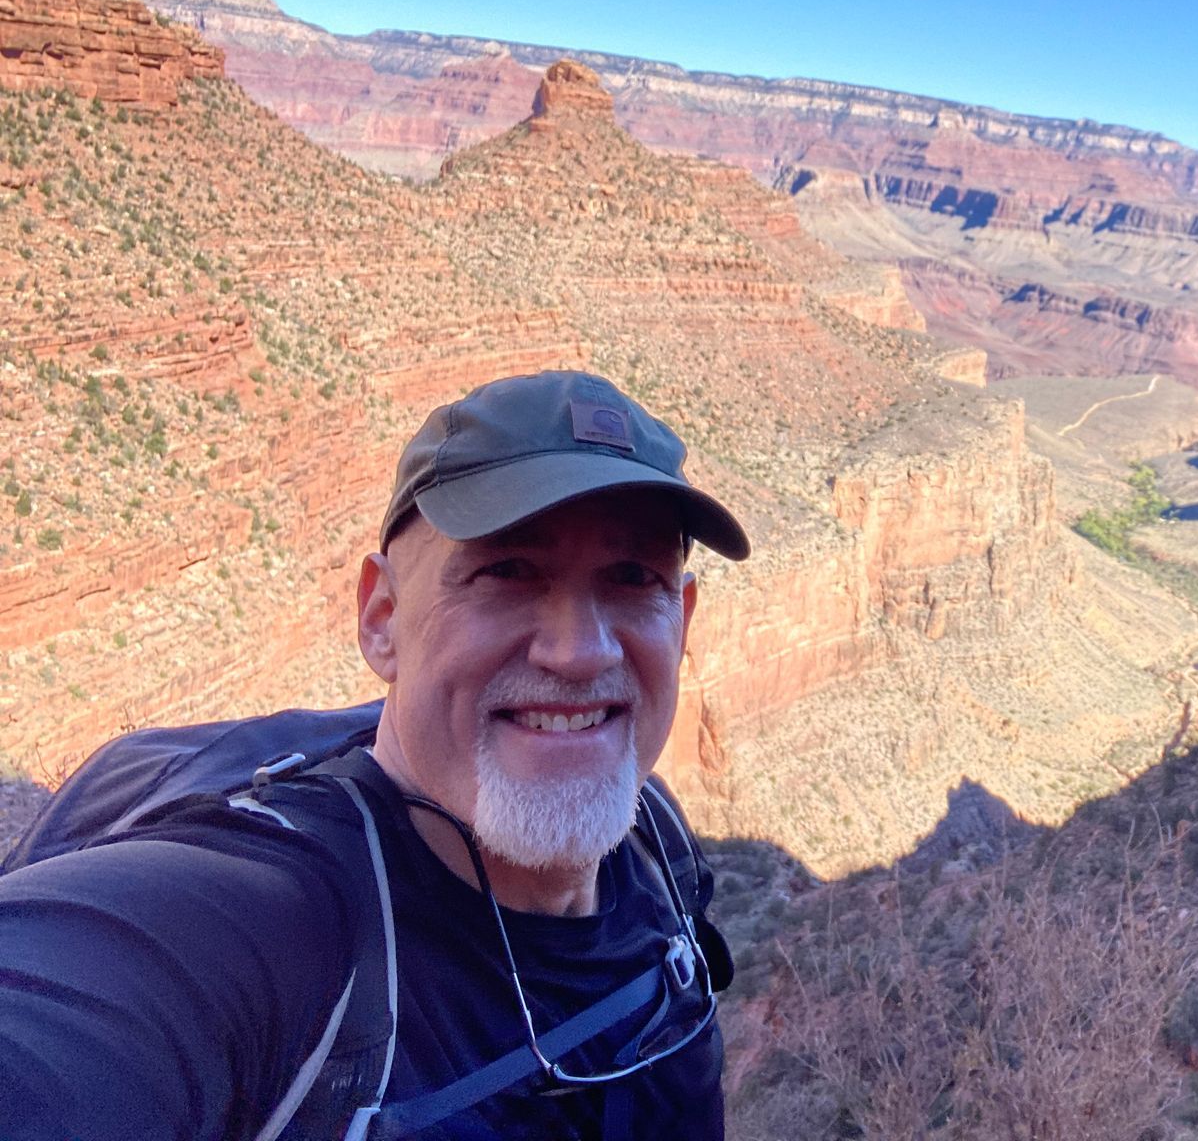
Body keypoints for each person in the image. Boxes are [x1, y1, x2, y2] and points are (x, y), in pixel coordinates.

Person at [0, 370, 748, 1139]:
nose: (579, 651)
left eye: (632, 579)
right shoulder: (270, 929)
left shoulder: (657, 846)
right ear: (381, 617)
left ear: (682, 622)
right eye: (508, 572)